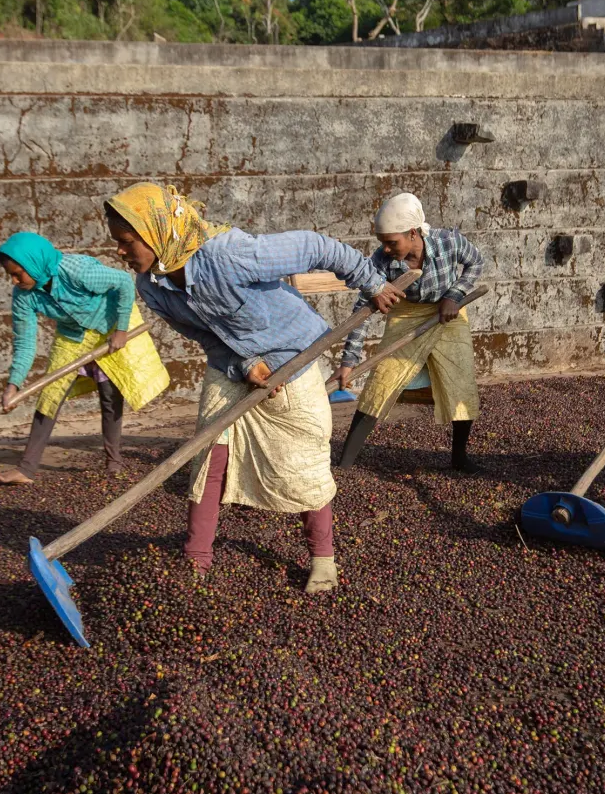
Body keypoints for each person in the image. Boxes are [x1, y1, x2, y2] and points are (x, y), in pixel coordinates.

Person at [104, 182, 399, 594]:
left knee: (306, 461)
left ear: (156, 233)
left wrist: (372, 282)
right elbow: (205, 338)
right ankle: (196, 562)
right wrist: (243, 365)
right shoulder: (151, 287)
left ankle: (323, 559)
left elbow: (317, 247)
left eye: (126, 241)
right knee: (207, 458)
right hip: (231, 368)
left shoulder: (228, 254)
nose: (120, 251)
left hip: (293, 359)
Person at [0, 232, 169, 484]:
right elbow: (25, 342)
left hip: (109, 325)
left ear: (33, 264)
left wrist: (120, 330)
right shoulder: (24, 295)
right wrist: (13, 385)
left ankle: (114, 461)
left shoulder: (76, 271)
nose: (14, 279)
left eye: (18, 273)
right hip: (72, 334)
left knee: (110, 393)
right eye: (11, 274)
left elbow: (124, 282)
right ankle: (26, 469)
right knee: (49, 395)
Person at [332, 193, 485, 471]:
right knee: (381, 381)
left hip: (447, 312)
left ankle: (460, 457)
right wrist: (348, 362)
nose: (386, 249)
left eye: (392, 243)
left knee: (461, 381)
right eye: (383, 243)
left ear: (413, 233)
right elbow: (362, 311)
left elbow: (476, 262)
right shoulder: (381, 261)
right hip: (407, 313)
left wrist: (455, 294)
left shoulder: (449, 241)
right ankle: (345, 463)